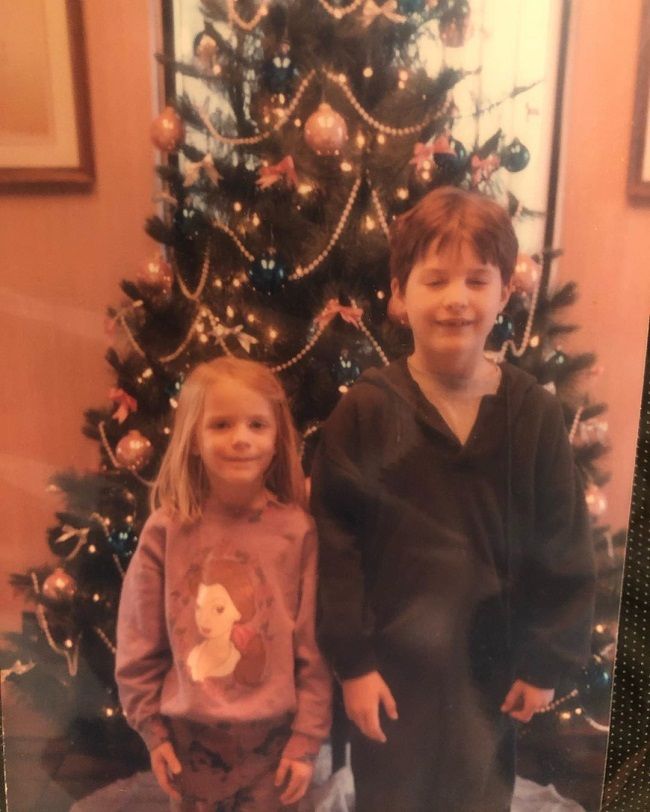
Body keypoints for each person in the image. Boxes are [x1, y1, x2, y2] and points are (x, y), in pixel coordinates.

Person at [310, 186, 595, 811]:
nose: (456, 298)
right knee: (390, 798)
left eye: (476, 279)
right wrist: (353, 665)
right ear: (399, 294)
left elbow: (565, 543)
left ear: (504, 293)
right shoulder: (364, 412)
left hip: (487, 672)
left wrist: (545, 657)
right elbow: (336, 548)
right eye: (435, 279)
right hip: (389, 673)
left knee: (476, 796)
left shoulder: (533, 415)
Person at [116, 356, 332, 811]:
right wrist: (153, 733)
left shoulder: (297, 531)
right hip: (190, 744)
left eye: (257, 424)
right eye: (221, 425)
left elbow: (314, 647)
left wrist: (307, 740)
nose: (240, 439)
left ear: (277, 440)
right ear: (193, 439)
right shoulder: (166, 530)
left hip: (276, 745)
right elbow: (138, 640)